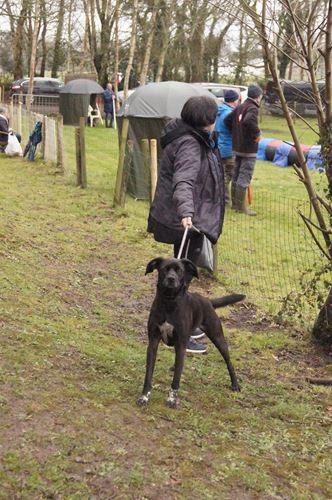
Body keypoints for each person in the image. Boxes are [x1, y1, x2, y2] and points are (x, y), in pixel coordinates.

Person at [147, 95, 225, 353]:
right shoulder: (191, 144)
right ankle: (180, 332)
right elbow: (184, 181)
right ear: (209, 120)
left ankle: (187, 322)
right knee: (180, 281)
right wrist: (187, 213)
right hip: (186, 220)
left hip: (184, 215)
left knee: (180, 280)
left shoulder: (190, 136)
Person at [224, 84, 263, 216]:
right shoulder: (252, 108)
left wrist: (236, 132)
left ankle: (235, 205)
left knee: (236, 174)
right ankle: (241, 208)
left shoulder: (240, 106)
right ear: (258, 97)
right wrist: (257, 134)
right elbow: (248, 121)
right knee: (245, 175)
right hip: (248, 149)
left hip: (237, 147)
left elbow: (227, 120)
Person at [214, 89, 240, 206]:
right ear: (235, 100)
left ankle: (220, 200)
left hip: (218, 146)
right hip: (228, 148)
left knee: (221, 174)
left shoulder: (219, 111)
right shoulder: (229, 114)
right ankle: (224, 201)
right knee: (228, 176)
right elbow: (235, 130)